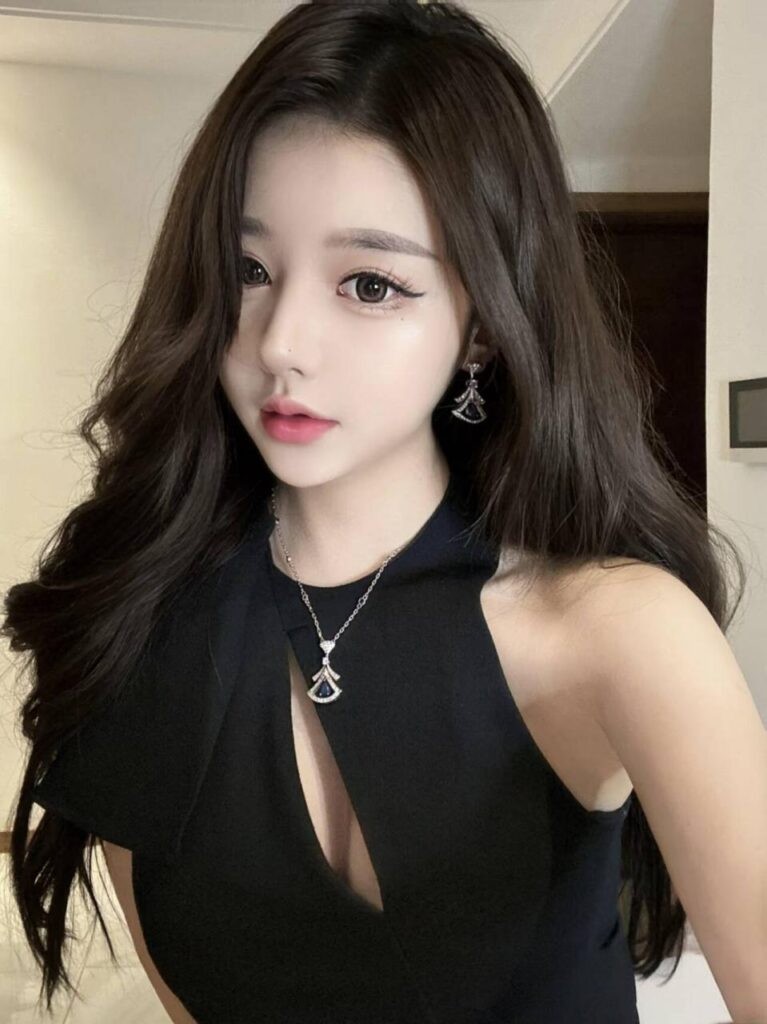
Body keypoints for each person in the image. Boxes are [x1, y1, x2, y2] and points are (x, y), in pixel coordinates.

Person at [4, 2, 765, 1023]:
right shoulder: (133, 622)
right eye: (247, 269)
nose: (281, 342)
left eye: (369, 283)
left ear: (482, 326)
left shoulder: (615, 631)